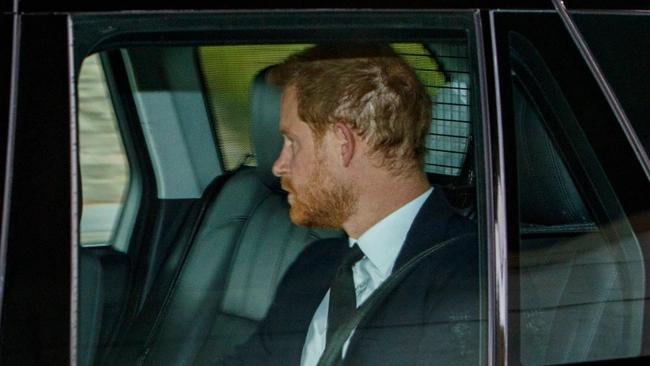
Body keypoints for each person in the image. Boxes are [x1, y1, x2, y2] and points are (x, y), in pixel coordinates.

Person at [215, 43, 480, 365]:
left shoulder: (473, 276)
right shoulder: (314, 265)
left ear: (342, 144)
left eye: (292, 142)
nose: (278, 165)